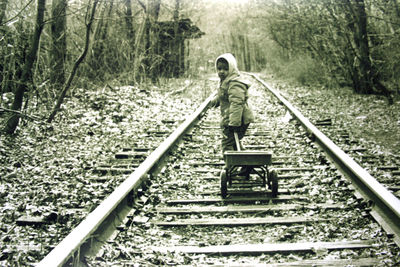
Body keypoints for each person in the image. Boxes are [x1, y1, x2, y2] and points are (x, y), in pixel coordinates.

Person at [210, 53, 254, 168]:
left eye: (225, 69)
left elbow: (236, 104)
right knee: (234, 142)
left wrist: (234, 123)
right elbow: (224, 96)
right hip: (235, 118)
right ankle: (247, 165)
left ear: (232, 68)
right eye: (219, 69)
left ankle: (231, 167)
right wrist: (215, 101)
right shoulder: (226, 81)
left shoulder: (235, 83)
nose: (221, 71)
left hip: (238, 119)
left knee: (227, 144)